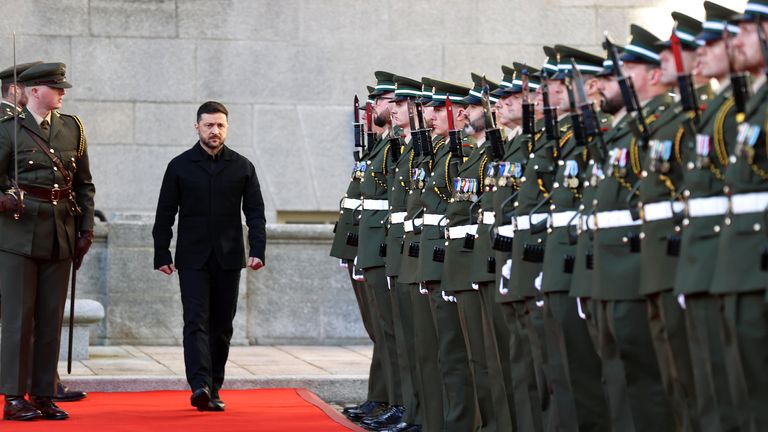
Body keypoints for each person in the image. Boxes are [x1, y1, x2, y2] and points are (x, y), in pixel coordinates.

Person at [152, 101, 266, 412]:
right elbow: (165, 213)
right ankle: (199, 385)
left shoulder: (242, 166)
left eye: (220, 126)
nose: (214, 131)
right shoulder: (180, 165)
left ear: (226, 128)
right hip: (192, 258)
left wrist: (257, 250)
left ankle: (214, 386)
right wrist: (161, 251)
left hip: (229, 258)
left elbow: (255, 213)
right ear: (197, 127)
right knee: (195, 321)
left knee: (222, 325)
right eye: (208, 125)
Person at [0, 62, 95, 421]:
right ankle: (12, 396)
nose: (63, 93)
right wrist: (4, 200)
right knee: (18, 319)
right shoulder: (7, 130)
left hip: (60, 232)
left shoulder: (73, 129)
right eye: (57, 88)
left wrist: (85, 230)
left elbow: (84, 184)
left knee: (50, 318)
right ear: (35, 90)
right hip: (18, 234)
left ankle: (42, 393)